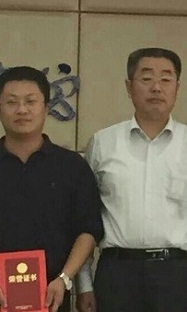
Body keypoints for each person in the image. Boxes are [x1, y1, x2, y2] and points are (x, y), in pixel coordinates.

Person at [75, 48, 187, 312]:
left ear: (177, 87)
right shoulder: (102, 142)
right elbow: (86, 218)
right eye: (146, 79)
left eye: (166, 79)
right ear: (128, 87)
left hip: (175, 274)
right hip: (116, 272)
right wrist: (84, 282)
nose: (156, 87)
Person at [0, 66, 103, 312]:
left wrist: (65, 279)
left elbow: (88, 230)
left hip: (53, 297)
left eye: (30, 101)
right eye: (12, 102)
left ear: (46, 108)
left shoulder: (72, 166)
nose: (22, 110)